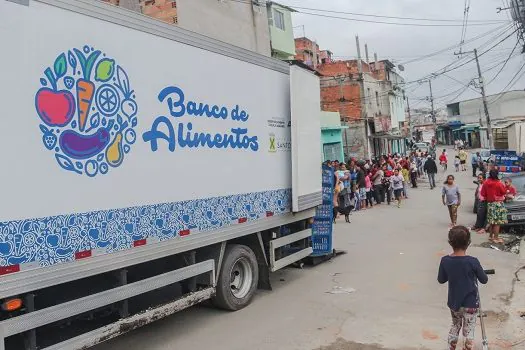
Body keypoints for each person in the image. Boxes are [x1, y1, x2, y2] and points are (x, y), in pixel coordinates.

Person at [438, 226, 488, 350]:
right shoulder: (473, 261)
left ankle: (451, 347)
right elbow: (484, 279)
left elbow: (441, 279)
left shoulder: (445, 260)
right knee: (469, 329)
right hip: (470, 303)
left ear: (450, 243)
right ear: (468, 243)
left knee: (455, 325)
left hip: (454, 302)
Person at [480, 170, 507, 244]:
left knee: (492, 221)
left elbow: (483, 193)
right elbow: (504, 192)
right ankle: (496, 238)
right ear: (497, 175)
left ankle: (491, 236)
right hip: (498, 204)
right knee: (497, 222)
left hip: (490, 204)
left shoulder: (485, 183)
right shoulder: (498, 183)